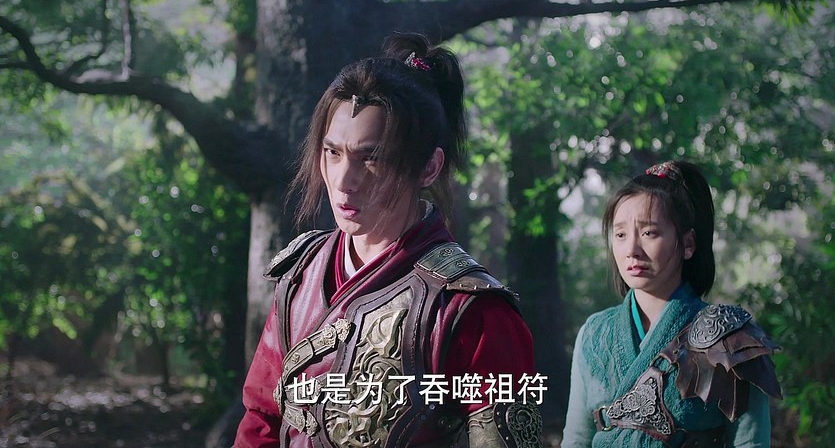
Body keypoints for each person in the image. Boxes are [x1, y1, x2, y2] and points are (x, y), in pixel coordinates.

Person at [234, 32, 542, 448]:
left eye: (371, 158)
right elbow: (262, 417)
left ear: (429, 167)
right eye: (333, 152)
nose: (343, 181)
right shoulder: (300, 275)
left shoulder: (473, 311)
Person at [562, 160, 782, 447]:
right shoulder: (594, 333)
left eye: (649, 233)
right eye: (620, 234)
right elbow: (577, 439)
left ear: (688, 244)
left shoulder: (730, 336)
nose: (631, 250)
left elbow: (750, 442)